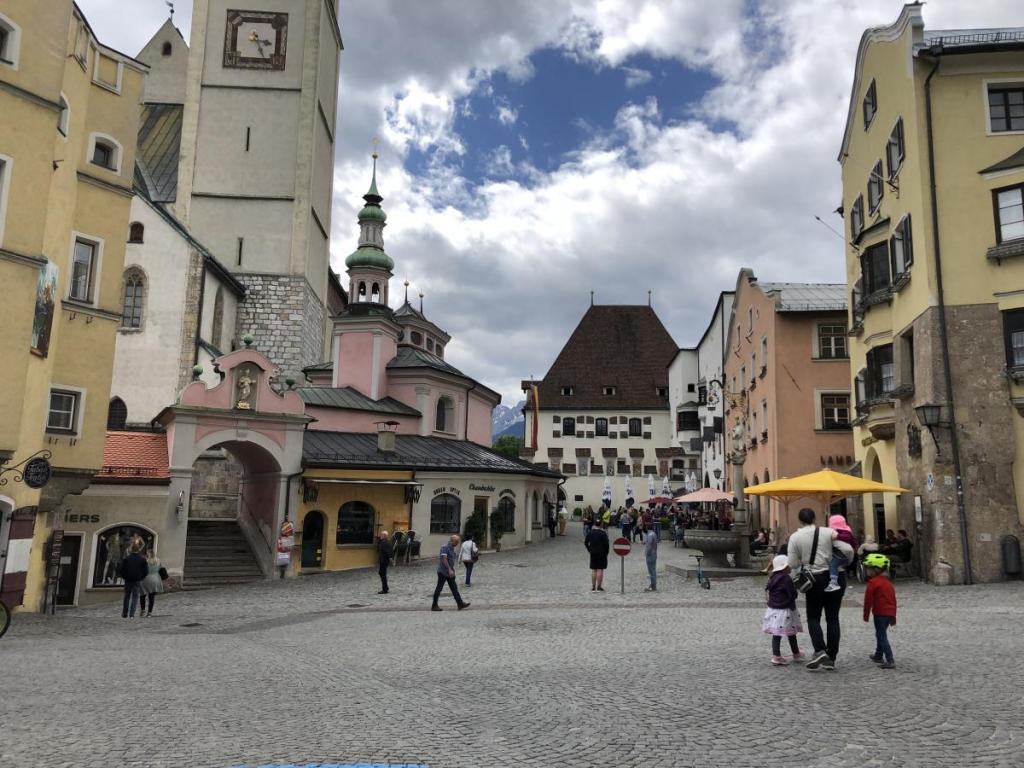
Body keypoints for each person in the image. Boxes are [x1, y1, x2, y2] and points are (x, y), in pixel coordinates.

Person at [787, 507, 853, 670]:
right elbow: (847, 549)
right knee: (833, 618)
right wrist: (845, 562)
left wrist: (804, 562)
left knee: (813, 617)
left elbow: (792, 563)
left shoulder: (795, 537)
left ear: (800, 520)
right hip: (835, 577)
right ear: (814, 518)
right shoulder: (828, 532)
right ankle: (831, 658)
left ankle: (820, 650)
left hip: (814, 579)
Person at [763, 554, 805, 666]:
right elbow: (793, 594)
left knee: (777, 633)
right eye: (789, 565)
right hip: (786, 609)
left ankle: (777, 655)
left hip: (774, 609)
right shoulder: (786, 579)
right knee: (791, 633)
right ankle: (794, 654)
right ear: (784, 567)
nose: (791, 567)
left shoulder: (772, 577)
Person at [863, 553, 898, 669]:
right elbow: (893, 600)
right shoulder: (888, 583)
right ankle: (878, 654)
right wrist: (893, 616)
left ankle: (890, 659)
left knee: (881, 635)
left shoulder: (873, 583)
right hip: (889, 613)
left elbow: (868, 600)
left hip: (879, 613)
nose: (866, 570)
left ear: (876, 569)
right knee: (880, 633)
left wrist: (866, 615)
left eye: (868, 568)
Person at [432, 534, 469, 611]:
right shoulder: (445, 547)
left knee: (454, 588)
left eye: (458, 542)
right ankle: (434, 605)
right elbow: (444, 559)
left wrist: (452, 570)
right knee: (439, 588)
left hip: (450, 573)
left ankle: (460, 603)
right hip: (443, 572)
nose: (457, 543)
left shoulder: (452, 549)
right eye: (456, 542)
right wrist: (449, 569)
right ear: (452, 541)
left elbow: (451, 561)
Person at [825, 514, 859, 593]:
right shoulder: (845, 531)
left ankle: (833, 582)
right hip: (842, 554)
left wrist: (837, 536)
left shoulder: (845, 532)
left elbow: (848, 538)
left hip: (843, 554)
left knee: (833, 564)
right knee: (833, 563)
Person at [120, 542, 149, 619]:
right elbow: (146, 572)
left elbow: (121, 570)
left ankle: (125, 613)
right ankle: (132, 614)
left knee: (127, 596)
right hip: (137, 580)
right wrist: (141, 577)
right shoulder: (142, 559)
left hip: (128, 580)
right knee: (135, 597)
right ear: (139, 550)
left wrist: (125, 577)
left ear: (131, 549)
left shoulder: (127, 559)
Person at [585, 521, 610, 592]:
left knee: (594, 569)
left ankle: (593, 587)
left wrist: (589, 549)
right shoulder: (603, 533)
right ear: (601, 525)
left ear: (595, 524)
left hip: (593, 552)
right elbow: (606, 544)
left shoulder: (591, 532)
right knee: (600, 569)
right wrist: (606, 552)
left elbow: (586, 542)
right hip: (602, 553)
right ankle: (599, 587)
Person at [139, 549, 163, 618]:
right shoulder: (158, 560)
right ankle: (149, 613)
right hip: (155, 579)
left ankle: (143, 610)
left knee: (142, 595)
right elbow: (160, 569)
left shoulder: (146, 561)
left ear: (148, 554)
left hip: (146, 579)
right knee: (151, 597)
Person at [643, 524, 658, 592]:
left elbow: (649, 545)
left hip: (650, 554)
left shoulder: (649, 535)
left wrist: (646, 553)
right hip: (654, 553)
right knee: (653, 570)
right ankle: (653, 584)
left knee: (651, 571)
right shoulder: (654, 534)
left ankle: (653, 585)